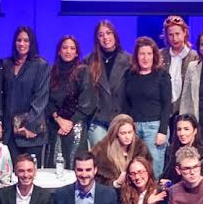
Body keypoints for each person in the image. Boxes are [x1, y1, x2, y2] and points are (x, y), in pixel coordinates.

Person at [122, 37, 172, 177]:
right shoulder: (129, 74)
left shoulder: (162, 75)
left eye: (149, 54)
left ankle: (154, 191)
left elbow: (167, 105)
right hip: (134, 128)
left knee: (153, 169)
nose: (145, 58)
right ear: (136, 56)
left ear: (154, 55)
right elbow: (126, 103)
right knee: (134, 168)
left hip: (154, 127)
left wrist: (162, 131)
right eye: (142, 54)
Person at [1, 26, 51, 166]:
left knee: (30, 174)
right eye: (19, 40)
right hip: (9, 134)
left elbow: (41, 99)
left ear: (31, 43)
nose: (22, 44)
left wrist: (26, 125)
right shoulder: (6, 64)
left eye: (26, 40)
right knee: (10, 174)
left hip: (31, 133)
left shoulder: (41, 65)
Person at [79, 20, 131, 148]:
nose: (105, 37)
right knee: (100, 157)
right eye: (101, 35)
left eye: (108, 33)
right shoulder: (89, 61)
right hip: (97, 119)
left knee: (119, 158)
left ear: (115, 35)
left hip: (120, 120)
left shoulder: (129, 60)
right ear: (97, 39)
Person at [46, 35, 86, 170]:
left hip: (76, 125)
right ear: (59, 51)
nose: (68, 51)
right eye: (65, 48)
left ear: (77, 53)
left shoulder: (83, 71)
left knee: (74, 164)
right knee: (54, 165)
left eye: (72, 48)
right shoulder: (51, 71)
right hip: (55, 125)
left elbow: (88, 101)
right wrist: (59, 120)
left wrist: (70, 123)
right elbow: (46, 99)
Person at [91, 113, 152, 189]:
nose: (127, 137)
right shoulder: (101, 151)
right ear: (116, 133)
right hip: (113, 192)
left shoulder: (140, 149)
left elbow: (149, 174)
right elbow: (97, 180)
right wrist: (116, 183)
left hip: (136, 190)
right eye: (123, 133)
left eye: (130, 132)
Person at [163, 16, 201, 126]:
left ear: (185, 33)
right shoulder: (160, 56)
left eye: (177, 34)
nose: (174, 38)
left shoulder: (195, 57)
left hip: (186, 114)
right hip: (164, 113)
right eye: (170, 34)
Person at [163, 115, 203, 183]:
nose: (182, 133)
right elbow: (165, 176)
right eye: (179, 129)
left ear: (195, 131)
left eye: (186, 129)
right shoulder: (171, 151)